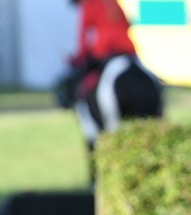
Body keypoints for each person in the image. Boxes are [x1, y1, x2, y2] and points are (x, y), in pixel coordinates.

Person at [65, 0, 162, 163]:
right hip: (130, 52)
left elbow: (83, 39)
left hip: (107, 54)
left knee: (84, 91)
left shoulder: (88, 6)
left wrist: (79, 59)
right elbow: (126, 25)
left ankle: (90, 128)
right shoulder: (114, 2)